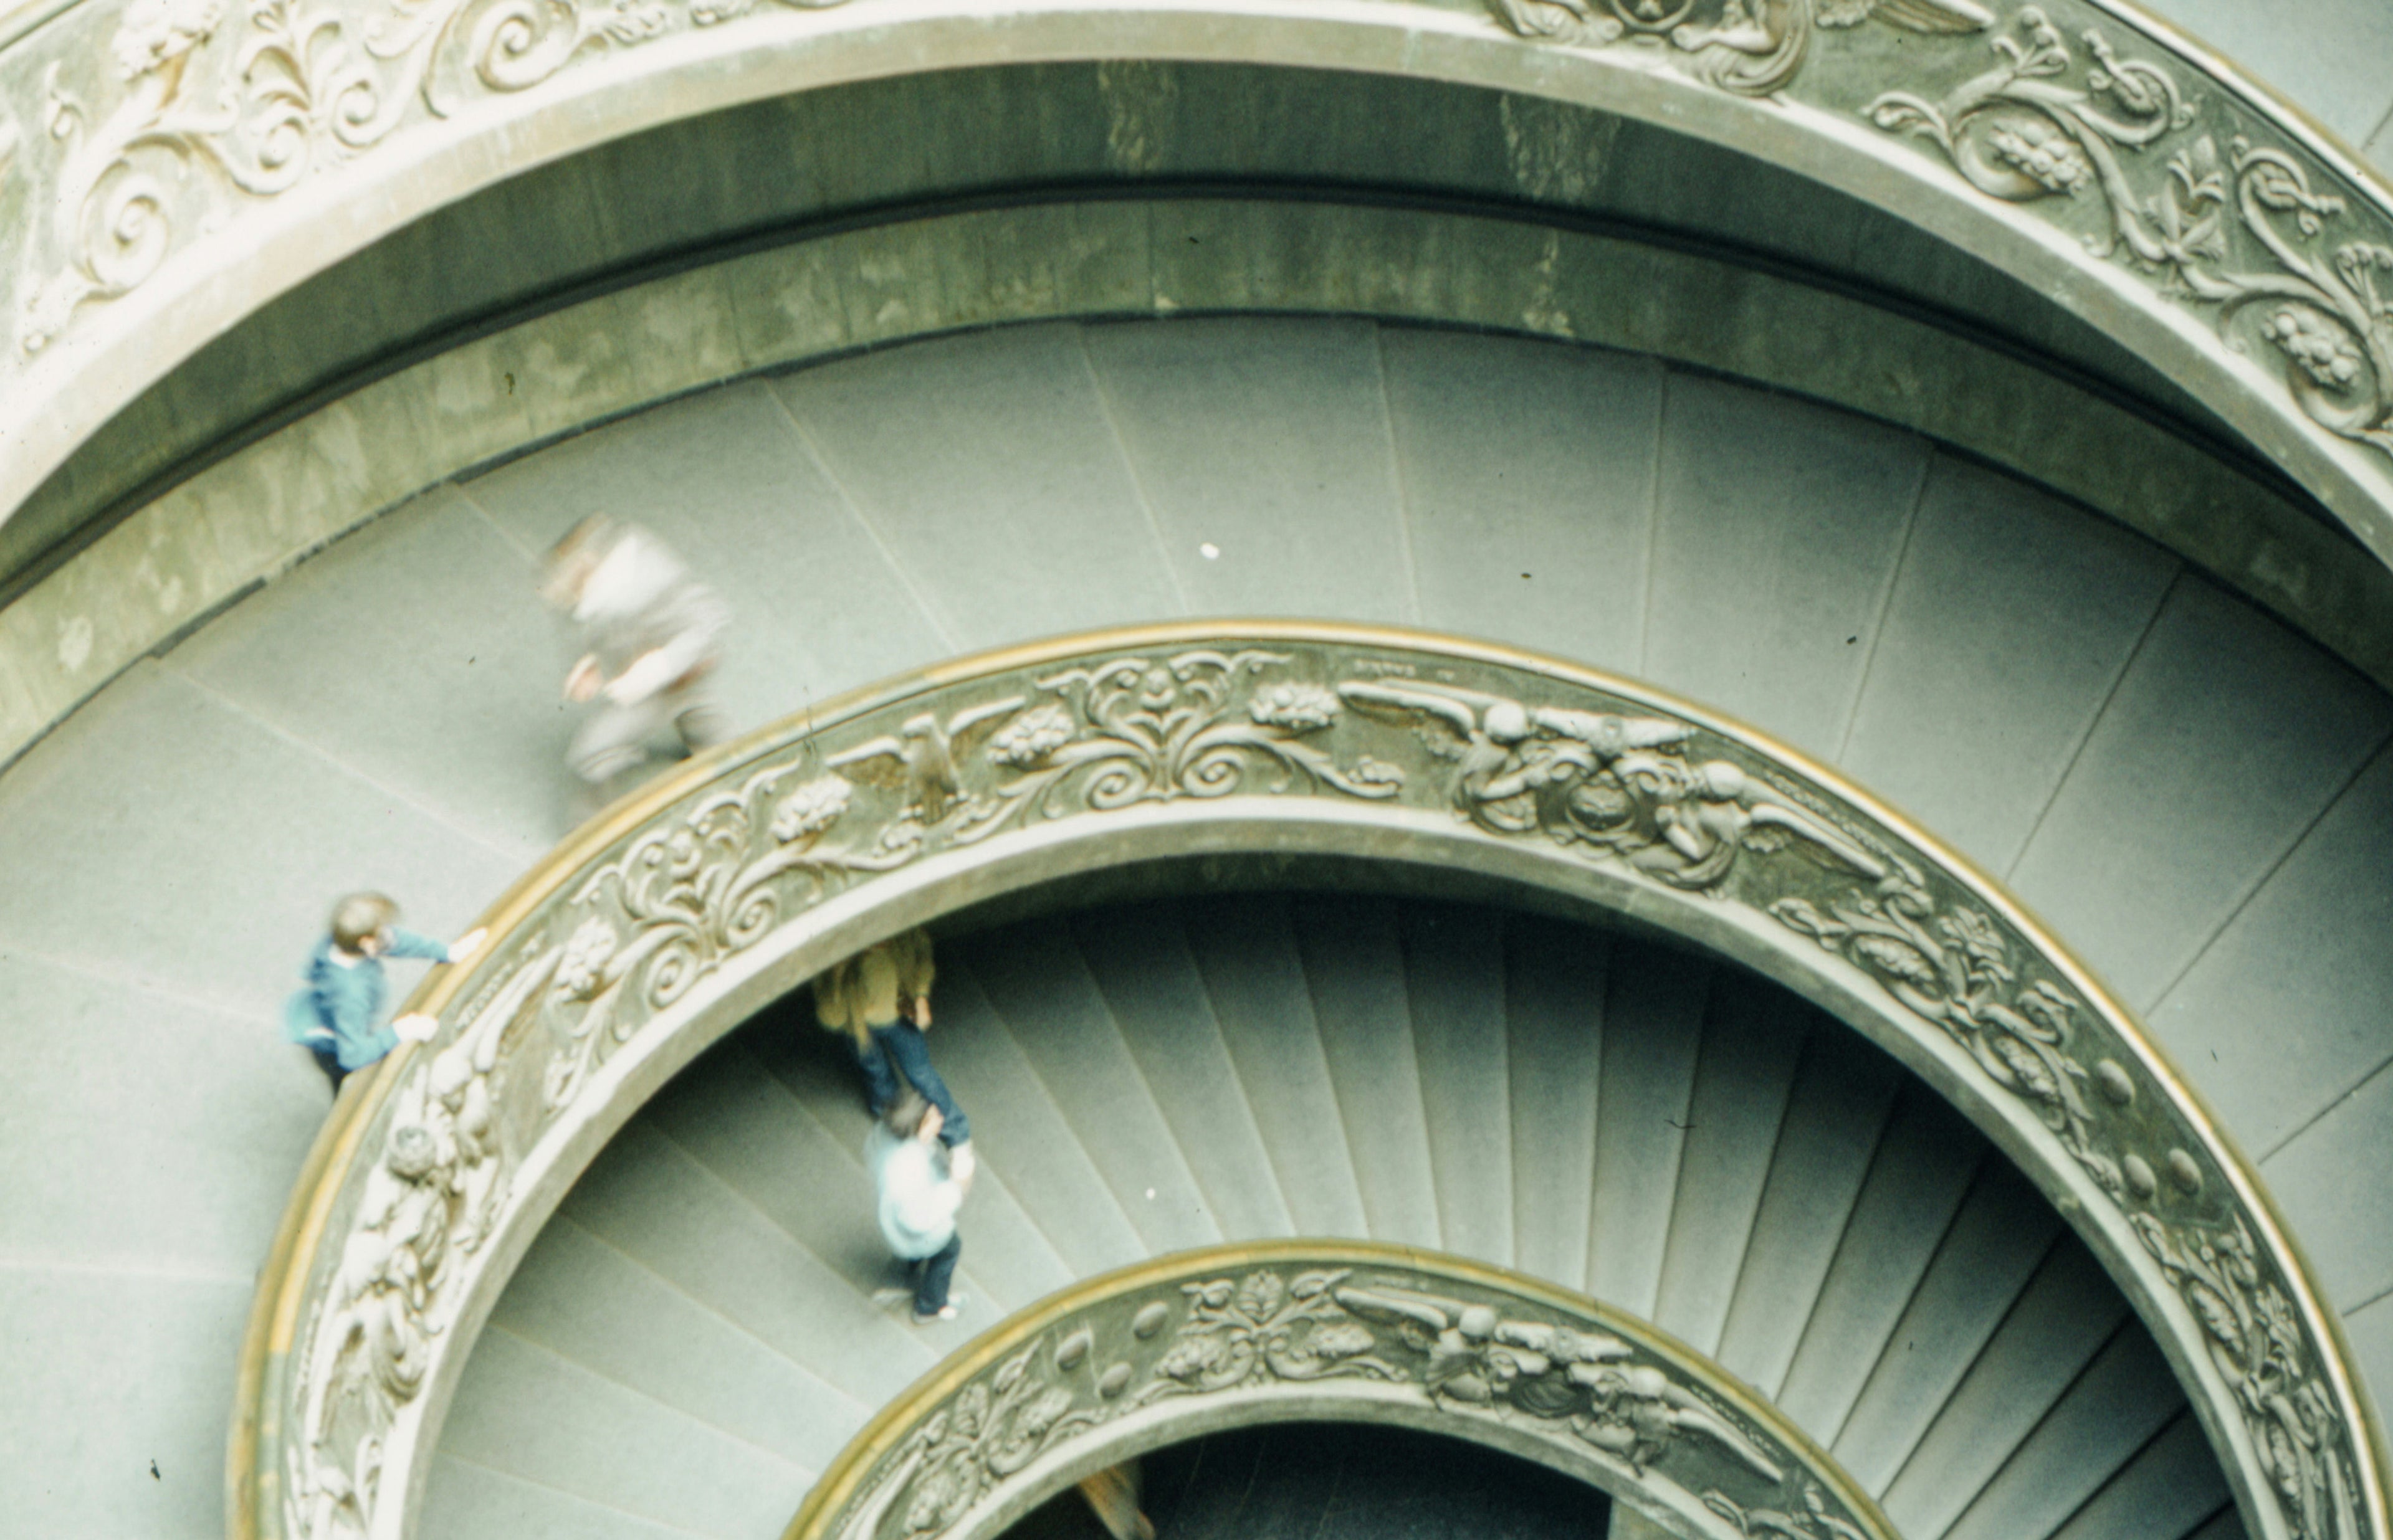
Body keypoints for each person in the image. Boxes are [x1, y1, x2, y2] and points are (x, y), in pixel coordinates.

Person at [541, 515, 732, 808]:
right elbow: (605, 631)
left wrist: (659, 667)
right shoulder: (592, 590)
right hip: (658, 673)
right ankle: (722, 753)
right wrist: (592, 665)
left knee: (592, 752)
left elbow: (709, 617)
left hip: (674, 672)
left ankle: (603, 821)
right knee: (702, 722)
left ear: (587, 563)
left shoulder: (653, 576)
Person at [284, 893, 485, 1096]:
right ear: (366, 943)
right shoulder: (351, 993)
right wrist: (401, 1031)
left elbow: (394, 942)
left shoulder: (337, 945)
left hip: (339, 1025)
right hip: (336, 1049)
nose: (388, 935)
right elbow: (354, 1055)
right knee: (352, 1090)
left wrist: (448, 952)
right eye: (381, 932)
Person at [814, 928, 974, 1168]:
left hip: (900, 1015)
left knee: (921, 1073)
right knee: (877, 1073)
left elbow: (922, 956)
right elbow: (831, 1017)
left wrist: (920, 996)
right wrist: (837, 975)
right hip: (857, 1026)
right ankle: (897, 1130)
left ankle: (957, 1136)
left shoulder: (901, 936)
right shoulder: (838, 962)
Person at [867, 1090, 973, 1324]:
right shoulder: (910, 1170)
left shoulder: (890, 1139)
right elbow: (918, 1218)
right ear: (918, 1129)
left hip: (893, 1219)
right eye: (932, 1118)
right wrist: (958, 1184)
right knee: (950, 1250)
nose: (940, 1120)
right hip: (915, 1227)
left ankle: (903, 1273)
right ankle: (930, 1306)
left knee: (914, 1251)